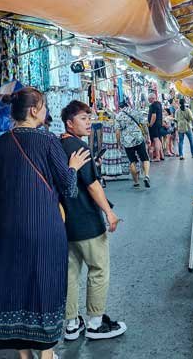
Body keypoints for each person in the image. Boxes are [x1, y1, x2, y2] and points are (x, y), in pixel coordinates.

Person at [0, 88, 90, 358]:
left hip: (5, 230)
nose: (45, 111)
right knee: (44, 284)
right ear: (34, 110)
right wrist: (74, 167)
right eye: (44, 106)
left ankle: (24, 355)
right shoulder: (47, 141)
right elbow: (68, 189)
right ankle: (45, 353)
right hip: (43, 227)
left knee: (15, 287)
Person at [60, 101, 127, 341]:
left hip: (65, 221)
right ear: (70, 123)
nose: (88, 122)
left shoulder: (57, 145)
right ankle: (96, 324)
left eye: (89, 118)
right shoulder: (79, 148)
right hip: (87, 220)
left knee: (70, 272)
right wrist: (109, 212)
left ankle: (70, 325)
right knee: (98, 270)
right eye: (82, 119)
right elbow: (92, 184)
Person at [114, 98, 151, 188]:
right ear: (128, 105)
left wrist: (118, 143)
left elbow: (117, 132)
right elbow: (144, 124)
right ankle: (146, 176)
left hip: (127, 141)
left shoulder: (118, 116)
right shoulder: (136, 112)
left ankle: (136, 182)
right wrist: (147, 136)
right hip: (138, 138)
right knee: (145, 158)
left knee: (132, 161)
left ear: (120, 107)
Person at [147, 93, 164, 162]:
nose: (148, 100)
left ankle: (157, 156)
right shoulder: (159, 104)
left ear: (151, 98)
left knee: (156, 139)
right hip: (159, 124)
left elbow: (154, 116)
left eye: (149, 99)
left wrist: (150, 124)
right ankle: (161, 155)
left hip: (154, 125)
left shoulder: (153, 105)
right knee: (158, 139)